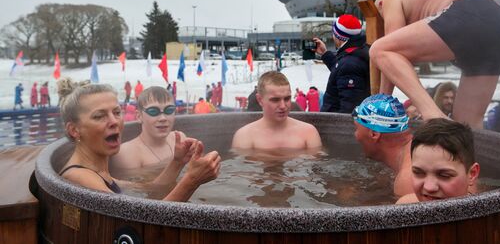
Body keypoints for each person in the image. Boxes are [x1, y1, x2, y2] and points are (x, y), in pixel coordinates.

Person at [370, 0, 500, 129]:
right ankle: (470, 152)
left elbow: (389, 50)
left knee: (379, 49)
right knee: (467, 127)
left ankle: (432, 114)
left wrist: (380, 103)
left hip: (470, 11)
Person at [56, 78, 220, 200]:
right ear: (74, 130)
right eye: (99, 116)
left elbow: (151, 188)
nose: (114, 121)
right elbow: (142, 223)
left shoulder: (99, 173)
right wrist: (192, 180)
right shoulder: (80, 176)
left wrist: (177, 162)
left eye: (117, 112)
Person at [397, 118, 480, 204]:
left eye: (444, 175)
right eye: (418, 173)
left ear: (472, 174)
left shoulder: (487, 215)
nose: (429, 187)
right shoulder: (405, 206)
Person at [232, 71, 322, 150]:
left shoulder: (308, 133)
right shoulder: (245, 136)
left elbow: (317, 167)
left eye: (287, 99)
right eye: (275, 100)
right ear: (260, 100)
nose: (283, 106)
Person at [112, 86, 188, 170]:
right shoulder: (127, 153)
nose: (163, 118)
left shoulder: (180, 139)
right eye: (153, 111)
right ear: (139, 116)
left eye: (169, 110)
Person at [352, 94, 412, 196]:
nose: (355, 135)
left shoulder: (406, 181)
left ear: (374, 134)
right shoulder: (414, 151)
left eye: (356, 128)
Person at [313, 14, 370, 113]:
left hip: (335, 125)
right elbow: (341, 72)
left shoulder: (349, 64)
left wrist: (337, 127)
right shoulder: (357, 51)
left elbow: (349, 108)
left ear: (339, 37)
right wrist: (325, 54)